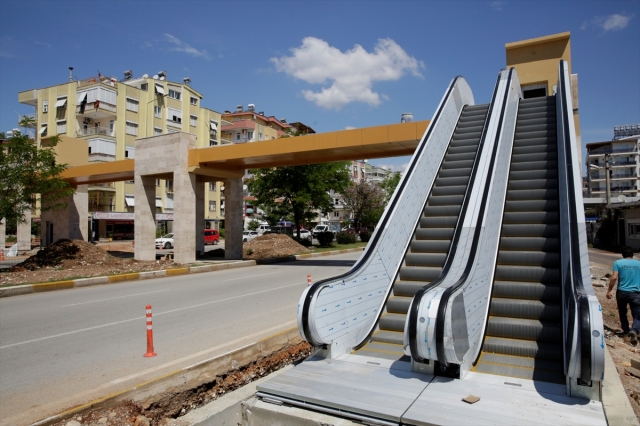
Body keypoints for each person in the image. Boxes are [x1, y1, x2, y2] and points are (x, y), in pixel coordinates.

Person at [606, 247, 640, 345]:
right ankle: (635, 330)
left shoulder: (618, 263)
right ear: (632, 255)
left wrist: (609, 290)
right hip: (635, 293)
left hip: (622, 292)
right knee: (638, 313)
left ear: (623, 255)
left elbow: (614, 277)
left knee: (622, 312)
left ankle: (626, 331)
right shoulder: (638, 263)